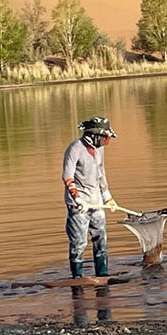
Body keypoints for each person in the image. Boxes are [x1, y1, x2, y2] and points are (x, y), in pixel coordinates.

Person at [63, 116, 118, 278]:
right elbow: (67, 176)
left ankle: (102, 273)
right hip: (79, 205)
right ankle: (77, 277)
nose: (106, 141)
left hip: (97, 203)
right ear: (94, 135)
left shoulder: (99, 150)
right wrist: (77, 198)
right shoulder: (75, 148)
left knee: (101, 239)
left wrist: (108, 197)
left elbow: (101, 174)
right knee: (79, 242)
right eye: (105, 137)